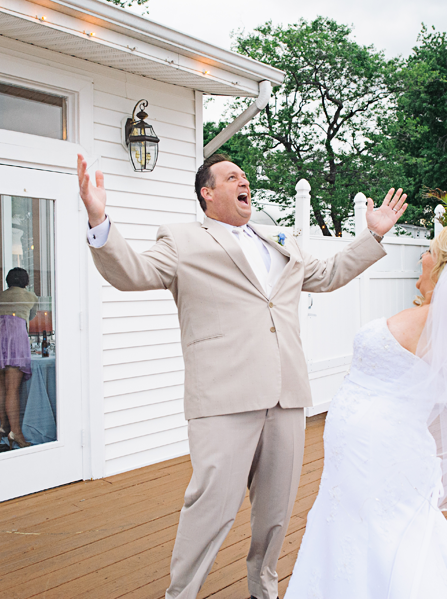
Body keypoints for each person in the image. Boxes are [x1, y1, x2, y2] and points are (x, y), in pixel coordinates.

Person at [78, 152, 408, 599]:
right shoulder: (181, 240)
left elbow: (329, 275)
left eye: (245, 176)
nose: (243, 181)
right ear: (207, 193)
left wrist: (372, 235)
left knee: (275, 510)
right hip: (223, 396)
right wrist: (99, 219)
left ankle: (262, 584)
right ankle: (182, 592)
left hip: (286, 394)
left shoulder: (279, 239)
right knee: (211, 507)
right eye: (231, 176)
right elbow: (133, 273)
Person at [284, 219, 447, 597]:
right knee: (348, 531)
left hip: (384, 456)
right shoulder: (431, 315)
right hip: (355, 457)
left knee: (386, 537)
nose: (421, 256)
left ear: (444, 263)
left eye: (428, 250)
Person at [0, 267, 38, 449]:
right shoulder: (30, 296)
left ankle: (4, 426)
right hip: (14, 334)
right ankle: (16, 433)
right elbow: (31, 316)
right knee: (13, 388)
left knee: (1, 385)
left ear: (7, 281)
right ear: (26, 282)